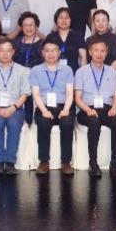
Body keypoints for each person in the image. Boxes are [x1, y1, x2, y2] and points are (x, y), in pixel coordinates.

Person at [74, 39, 116, 178]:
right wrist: (88, 110)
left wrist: (114, 108)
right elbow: (77, 98)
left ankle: (114, 162)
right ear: (90, 52)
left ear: (106, 53)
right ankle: (93, 162)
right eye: (96, 50)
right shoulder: (81, 72)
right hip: (86, 109)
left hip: (107, 108)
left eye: (102, 51)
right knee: (94, 123)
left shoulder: (112, 72)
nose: (99, 54)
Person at [0, 38, 30, 176]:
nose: (5, 54)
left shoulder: (22, 70)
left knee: (14, 124)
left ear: (13, 52)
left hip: (15, 108)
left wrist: (13, 107)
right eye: (2, 50)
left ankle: (10, 162)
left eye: (8, 50)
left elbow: (25, 93)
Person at [30, 40, 76, 175]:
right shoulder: (35, 70)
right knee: (44, 124)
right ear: (43, 53)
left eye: (54, 50)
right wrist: (44, 111)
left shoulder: (67, 70)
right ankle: (44, 161)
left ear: (59, 52)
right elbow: (36, 94)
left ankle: (66, 162)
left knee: (67, 123)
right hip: (43, 107)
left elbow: (70, 93)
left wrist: (66, 109)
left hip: (63, 106)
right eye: (47, 50)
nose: (51, 54)